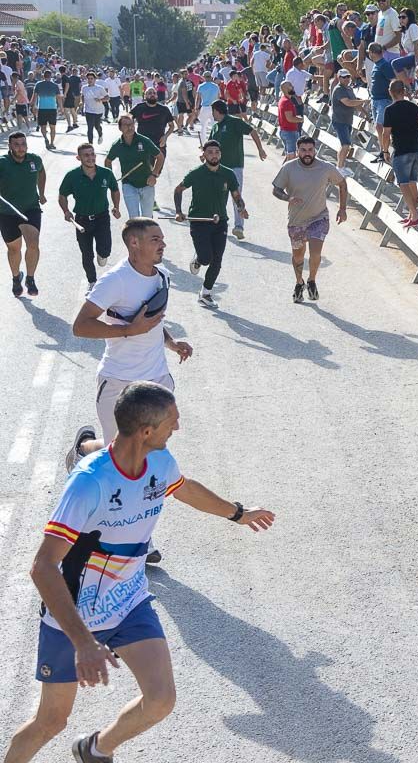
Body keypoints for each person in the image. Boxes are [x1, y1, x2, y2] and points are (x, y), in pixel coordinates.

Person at [2, 381, 273, 763]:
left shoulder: (160, 463)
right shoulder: (88, 483)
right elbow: (42, 567)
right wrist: (83, 643)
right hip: (72, 614)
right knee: (50, 721)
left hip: (128, 602)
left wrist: (238, 513)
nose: (176, 429)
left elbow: (185, 489)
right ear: (147, 431)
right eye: (171, 423)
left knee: (161, 699)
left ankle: (96, 749)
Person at [67, 216, 192, 479]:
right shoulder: (115, 281)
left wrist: (171, 343)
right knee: (117, 452)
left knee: (147, 448)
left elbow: (153, 321)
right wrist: (127, 331)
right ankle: (83, 448)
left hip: (156, 378)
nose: (163, 245)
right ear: (134, 242)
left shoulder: (162, 276)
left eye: (162, 239)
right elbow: (80, 326)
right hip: (118, 380)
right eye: (155, 239)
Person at [271, 135, 347, 303]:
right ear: (297, 151)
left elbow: (342, 183)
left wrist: (342, 209)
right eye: (303, 150)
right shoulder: (288, 168)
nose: (307, 153)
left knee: (315, 252)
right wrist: (287, 198)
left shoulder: (325, 168)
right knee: (298, 256)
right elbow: (276, 189)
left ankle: (312, 280)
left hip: (318, 218)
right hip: (296, 221)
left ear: (315, 150)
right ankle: (299, 283)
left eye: (310, 150)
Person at [174, 140, 247, 308]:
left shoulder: (228, 174)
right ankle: (199, 259)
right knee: (206, 258)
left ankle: (205, 293)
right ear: (204, 155)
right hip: (199, 222)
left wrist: (241, 207)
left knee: (217, 260)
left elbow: (236, 195)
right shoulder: (196, 173)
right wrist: (178, 211)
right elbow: (178, 190)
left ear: (220, 154)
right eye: (210, 152)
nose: (214, 155)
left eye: (216, 152)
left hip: (220, 221)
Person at [58, 144, 122, 290]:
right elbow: (62, 195)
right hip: (82, 220)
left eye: (92, 154)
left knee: (105, 251)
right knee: (87, 254)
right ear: (78, 158)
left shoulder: (106, 173)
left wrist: (116, 207)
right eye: (86, 155)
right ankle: (92, 282)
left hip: (102, 218)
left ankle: (102, 253)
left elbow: (115, 190)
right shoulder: (72, 176)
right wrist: (66, 211)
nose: (90, 157)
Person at [207, 99, 267, 239]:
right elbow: (210, 145)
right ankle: (219, 223)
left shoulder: (234, 122)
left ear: (217, 110)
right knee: (218, 196)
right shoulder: (215, 127)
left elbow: (252, 131)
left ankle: (239, 227)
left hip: (235, 166)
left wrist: (260, 149)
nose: (212, 114)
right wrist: (204, 155)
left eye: (213, 111)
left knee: (236, 196)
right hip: (218, 168)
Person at [1, 132, 47, 297]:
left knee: (33, 243)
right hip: (7, 212)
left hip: (30, 209)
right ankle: (15, 278)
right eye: (17, 144)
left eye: (23, 144)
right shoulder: (2, 163)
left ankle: (30, 278)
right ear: (10, 146)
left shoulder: (34, 160)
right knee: (14, 249)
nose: (21, 148)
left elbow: (41, 173)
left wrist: (41, 193)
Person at [379, 79, 418, 227]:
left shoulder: (389, 110)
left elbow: (386, 134)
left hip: (401, 152)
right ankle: (413, 214)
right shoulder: (413, 107)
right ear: (404, 91)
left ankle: (415, 215)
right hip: (417, 151)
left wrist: (384, 150)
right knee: (413, 182)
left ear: (390, 92)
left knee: (403, 184)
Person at [104, 116, 163, 219]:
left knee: (147, 217)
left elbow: (160, 157)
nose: (130, 127)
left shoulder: (144, 141)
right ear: (120, 128)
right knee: (134, 217)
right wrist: (111, 178)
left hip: (147, 183)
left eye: (131, 124)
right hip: (128, 184)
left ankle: (147, 235)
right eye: (126, 125)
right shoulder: (117, 145)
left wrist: (154, 174)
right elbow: (108, 161)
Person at [329, 69, 367, 175]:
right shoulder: (339, 90)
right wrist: (364, 101)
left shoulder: (349, 89)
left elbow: (356, 104)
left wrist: (367, 115)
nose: (346, 79)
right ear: (339, 78)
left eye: (348, 77)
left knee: (344, 145)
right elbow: (348, 103)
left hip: (347, 121)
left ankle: (340, 166)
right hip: (339, 121)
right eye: (343, 77)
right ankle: (340, 168)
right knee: (345, 145)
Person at [34, 69, 61, 150]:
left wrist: (34, 106)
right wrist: (61, 107)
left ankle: (46, 138)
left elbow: (35, 96)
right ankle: (52, 143)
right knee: (53, 127)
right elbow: (58, 98)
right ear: (51, 76)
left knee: (43, 126)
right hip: (52, 108)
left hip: (42, 108)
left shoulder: (38, 84)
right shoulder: (55, 85)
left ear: (43, 76)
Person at [277, 79, 304, 160]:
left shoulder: (284, 100)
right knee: (291, 157)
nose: (292, 87)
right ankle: (288, 172)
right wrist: (300, 119)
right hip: (289, 132)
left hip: (285, 131)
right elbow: (290, 118)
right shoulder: (286, 102)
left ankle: (282, 172)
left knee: (289, 155)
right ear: (285, 89)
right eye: (290, 86)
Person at [80, 72, 108, 145]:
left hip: (98, 111)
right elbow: (82, 96)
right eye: (88, 79)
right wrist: (82, 104)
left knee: (97, 126)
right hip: (88, 111)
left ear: (95, 79)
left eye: (91, 78)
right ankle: (90, 144)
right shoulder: (84, 88)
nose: (90, 80)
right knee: (90, 128)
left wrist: (100, 100)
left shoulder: (99, 88)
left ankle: (100, 134)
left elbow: (107, 97)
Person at [194, 72, 220, 145]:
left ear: (204, 77)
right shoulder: (216, 86)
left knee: (203, 126)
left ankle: (203, 143)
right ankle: (215, 142)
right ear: (211, 77)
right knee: (214, 126)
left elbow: (198, 98)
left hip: (205, 107)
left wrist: (196, 108)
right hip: (214, 107)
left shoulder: (201, 86)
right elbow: (218, 97)